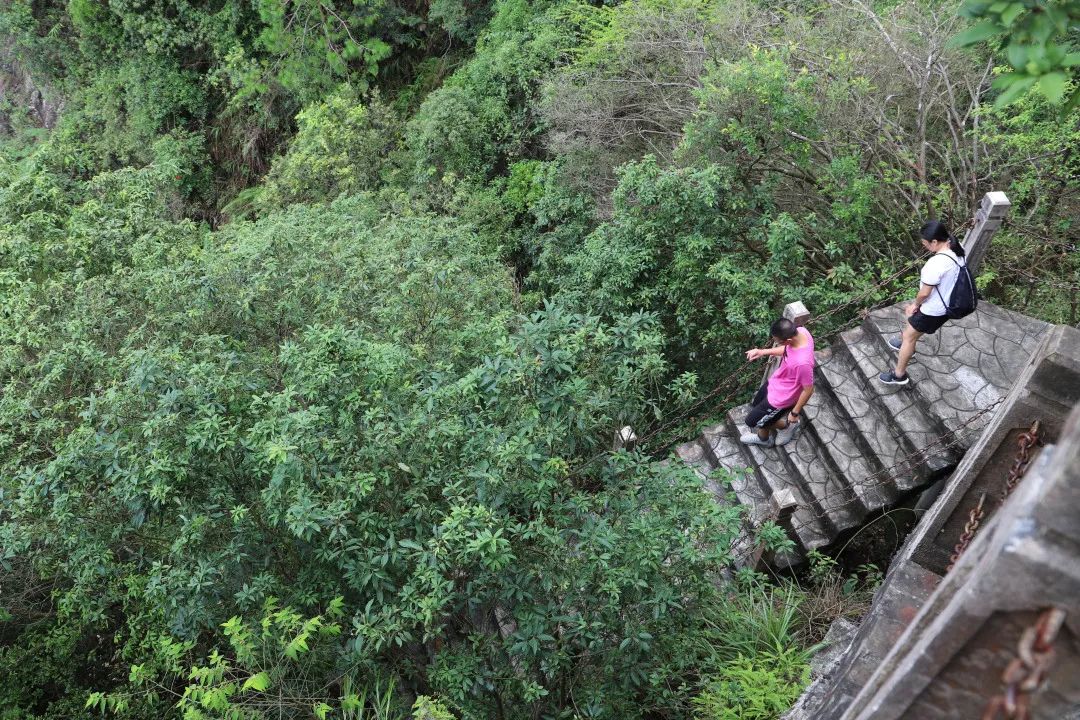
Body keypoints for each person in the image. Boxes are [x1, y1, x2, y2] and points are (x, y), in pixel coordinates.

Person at [879, 220, 966, 386]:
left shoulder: (936, 263)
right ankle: (906, 342)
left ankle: (899, 375)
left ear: (934, 241)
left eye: (925, 243)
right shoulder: (957, 248)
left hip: (933, 310)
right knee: (911, 331)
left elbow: (925, 293)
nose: (924, 246)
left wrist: (915, 305)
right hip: (947, 305)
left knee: (910, 336)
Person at [741, 317, 816, 448]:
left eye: (778, 342)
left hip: (783, 398)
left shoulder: (803, 363)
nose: (777, 343)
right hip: (776, 382)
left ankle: (787, 427)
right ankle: (764, 437)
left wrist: (794, 413)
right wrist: (762, 352)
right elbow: (787, 350)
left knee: (752, 421)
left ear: (788, 340)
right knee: (756, 405)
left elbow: (809, 390)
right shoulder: (801, 331)